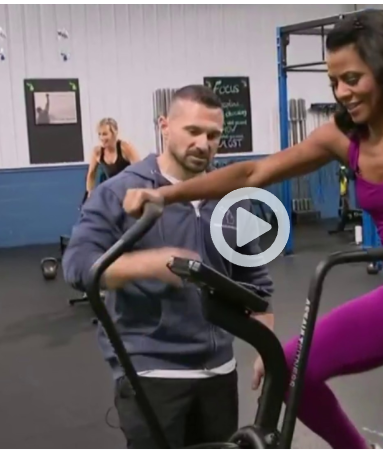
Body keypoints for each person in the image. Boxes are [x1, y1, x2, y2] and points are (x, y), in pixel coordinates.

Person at [123, 10, 383, 449]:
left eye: (352, 78)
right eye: (334, 81)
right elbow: (253, 172)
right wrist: (167, 194)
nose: (342, 92)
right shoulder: (344, 135)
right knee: (290, 369)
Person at [62, 85, 274, 449]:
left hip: (220, 373)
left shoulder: (229, 197)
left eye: (213, 135)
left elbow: (256, 283)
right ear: (165, 126)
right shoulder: (118, 192)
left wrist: (268, 350)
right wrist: (150, 263)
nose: (204, 144)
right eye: (193, 131)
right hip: (151, 371)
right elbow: (78, 266)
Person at [85, 118, 141, 198]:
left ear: (114, 133)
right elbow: (91, 175)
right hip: (111, 193)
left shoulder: (125, 148)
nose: (101, 138)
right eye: (99, 134)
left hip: (128, 191)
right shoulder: (97, 152)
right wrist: (90, 192)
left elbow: (140, 169)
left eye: (105, 134)